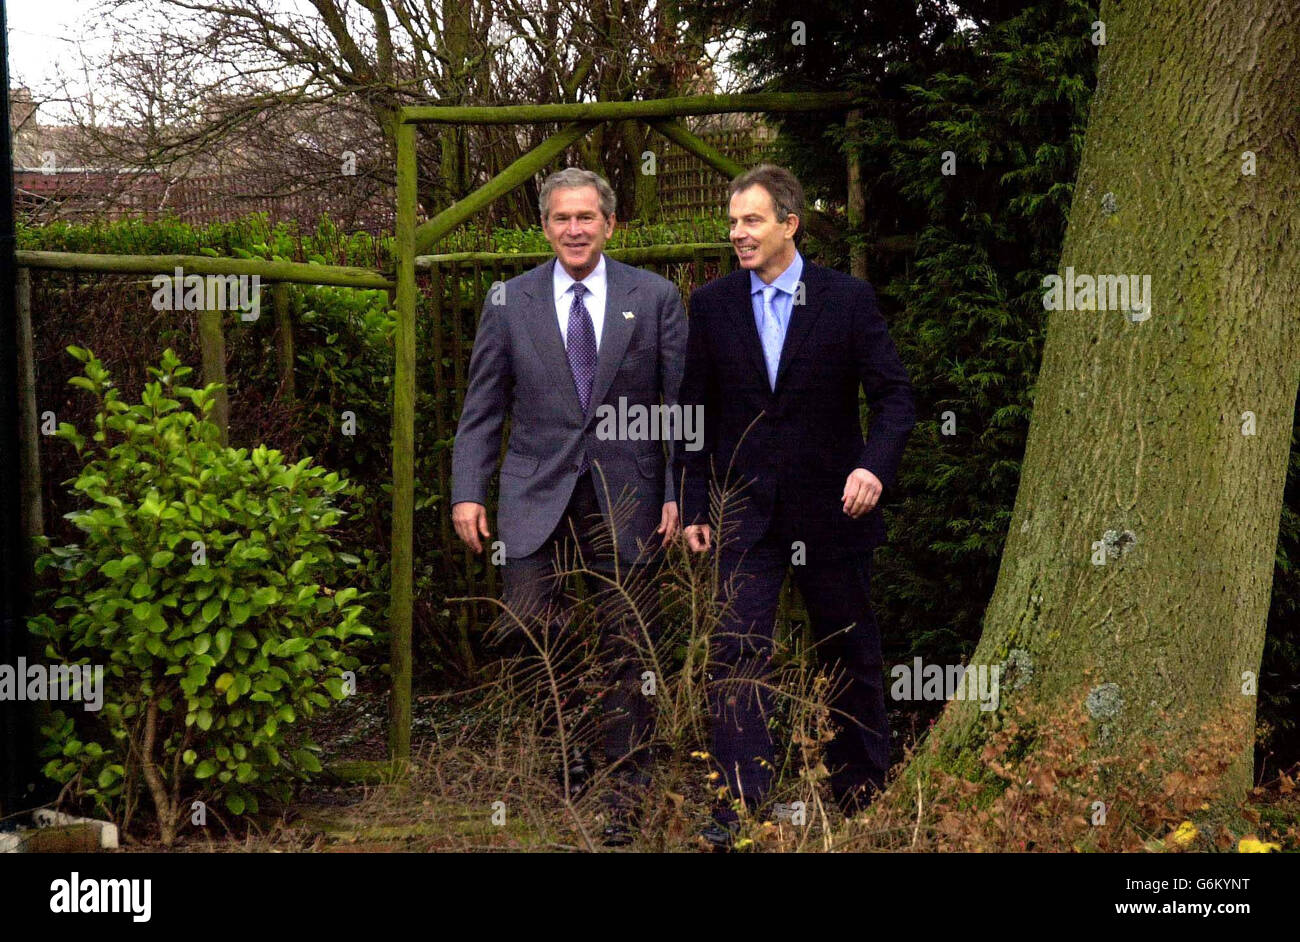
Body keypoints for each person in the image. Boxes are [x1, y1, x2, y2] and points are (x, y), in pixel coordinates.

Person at [676, 164, 916, 846]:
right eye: (732, 223)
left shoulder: (846, 301)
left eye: (751, 221)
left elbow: (897, 400)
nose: (738, 234)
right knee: (737, 652)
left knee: (849, 652)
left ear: (790, 223)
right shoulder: (713, 305)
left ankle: (862, 792)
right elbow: (695, 413)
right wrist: (695, 503)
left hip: (834, 512)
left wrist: (873, 466)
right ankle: (740, 804)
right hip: (742, 513)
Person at [450, 168, 687, 843]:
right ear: (546, 227)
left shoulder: (657, 296)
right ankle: (567, 751)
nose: (575, 229)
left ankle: (629, 782)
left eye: (587, 217)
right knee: (528, 625)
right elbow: (482, 408)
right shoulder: (509, 300)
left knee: (627, 640)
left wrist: (675, 492)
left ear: (610, 224)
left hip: (630, 491)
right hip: (533, 488)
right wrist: (469, 490)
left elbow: (677, 410)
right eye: (562, 218)